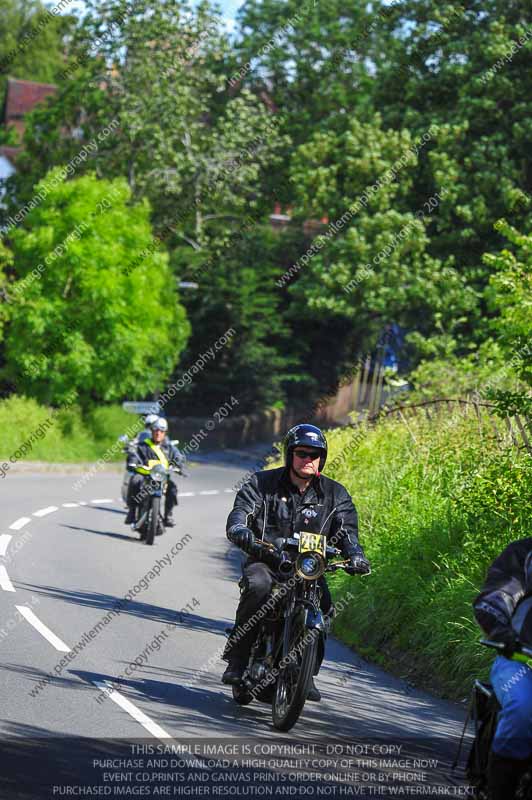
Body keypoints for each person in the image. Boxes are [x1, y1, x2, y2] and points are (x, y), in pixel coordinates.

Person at [222, 423, 371, 701]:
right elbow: (241, 514)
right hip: (267, 561)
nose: (308, 460)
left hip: (308, 568)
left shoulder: (335, 494)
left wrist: (356, 555)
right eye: (302, 453)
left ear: (322, 459)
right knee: (258, 587)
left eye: (315, 455)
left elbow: (347, 532)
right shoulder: (261, 484)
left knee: (325, 605)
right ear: (290, 454)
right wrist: (242, 531)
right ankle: (239, 659)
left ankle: (306, 673)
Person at [473, 537, 532, 800]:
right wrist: (502, 631)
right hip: (520, 661)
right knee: (522, 709)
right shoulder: (525, 554)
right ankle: (499, 792)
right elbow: (498, 597)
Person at [124, 417, 185, 527]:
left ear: (165, 433)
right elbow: (134, 455)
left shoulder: (169, 447)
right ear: (151, 431)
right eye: (156, 430)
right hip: (145, 476)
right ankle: (132, 512)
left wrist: (178, 465)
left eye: (161, 431)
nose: (158, 433)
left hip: (161, 477)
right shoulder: (143, 445)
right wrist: (133, 461)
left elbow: (178, 456)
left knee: (172, 489)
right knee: (134, 480)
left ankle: (168, 516)